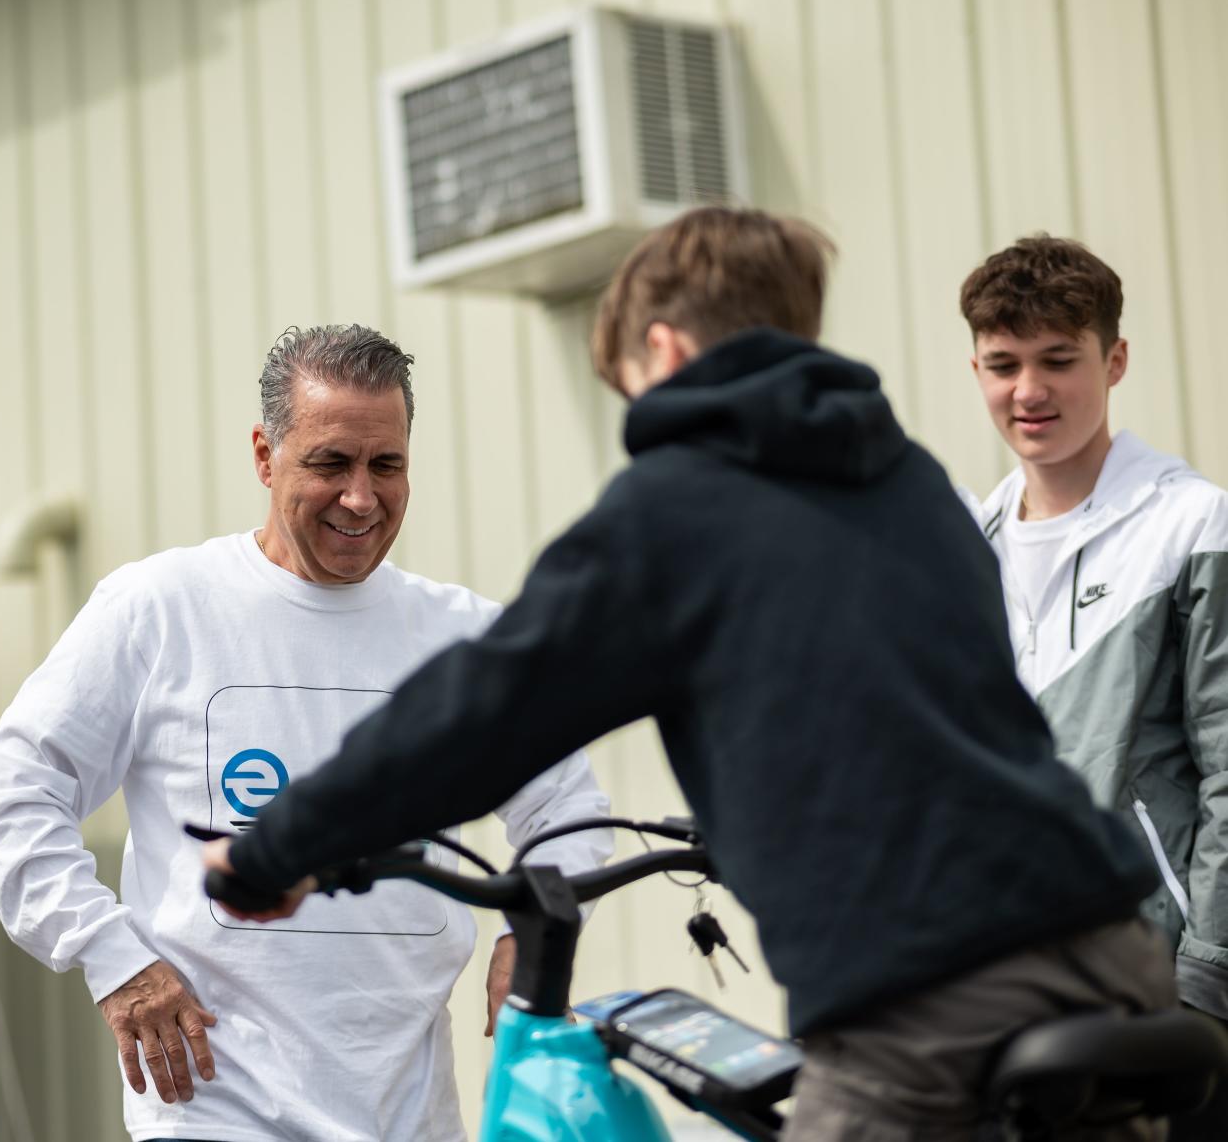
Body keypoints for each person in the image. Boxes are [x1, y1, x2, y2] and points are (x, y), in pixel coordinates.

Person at [207, 208, 1176, 1141]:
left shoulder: (676, 510)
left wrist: (277, 847)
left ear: (665, 352)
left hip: (935, 998)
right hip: (1114, 949)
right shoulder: (912, 481)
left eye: (632, 390)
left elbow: (484, 712)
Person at [0, 324, 611, 1142]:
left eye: (386, 465)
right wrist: (115, 962)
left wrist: (529, 938)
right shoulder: (161, 608)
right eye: (330, 464)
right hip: (215, 1110)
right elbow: (15, 791)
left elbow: (571, 810)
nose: (361, 496)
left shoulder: (463, 637)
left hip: (413, 1116)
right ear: (264, 455)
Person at [959, 233, 1228, 1139]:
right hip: (1009, 994)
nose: (1028, 391)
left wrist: (1208, 982)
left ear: (1114, 360)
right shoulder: (969, 541)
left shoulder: (1192, 521)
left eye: (1057, 360)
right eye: (1003, 364)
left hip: (1162, 992)